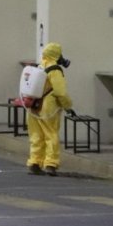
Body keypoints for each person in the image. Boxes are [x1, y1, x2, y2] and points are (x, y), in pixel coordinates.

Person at [26, 42, 73, 177]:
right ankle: (50, 165)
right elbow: (60, 92)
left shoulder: (39, 67)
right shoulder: (55, 70)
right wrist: (68, 106)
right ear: (56, 55)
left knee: (36, 136)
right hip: (47, 108)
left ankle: (34, 162)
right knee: (51, 134)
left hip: (32, 106)